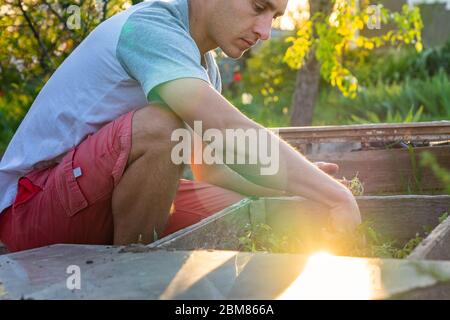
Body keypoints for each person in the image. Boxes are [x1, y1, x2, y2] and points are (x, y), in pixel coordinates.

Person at [0, 0, 361, 253]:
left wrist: (302, 187)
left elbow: (212, 169)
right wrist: (335, 194)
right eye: (257, 7)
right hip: (30, 211)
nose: (265, 31)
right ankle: (129, 281)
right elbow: (224, 128)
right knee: (164, 125)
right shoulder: (151, 29)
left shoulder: (203, 68)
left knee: (244, 212)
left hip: (95, 198)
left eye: (275, 16)